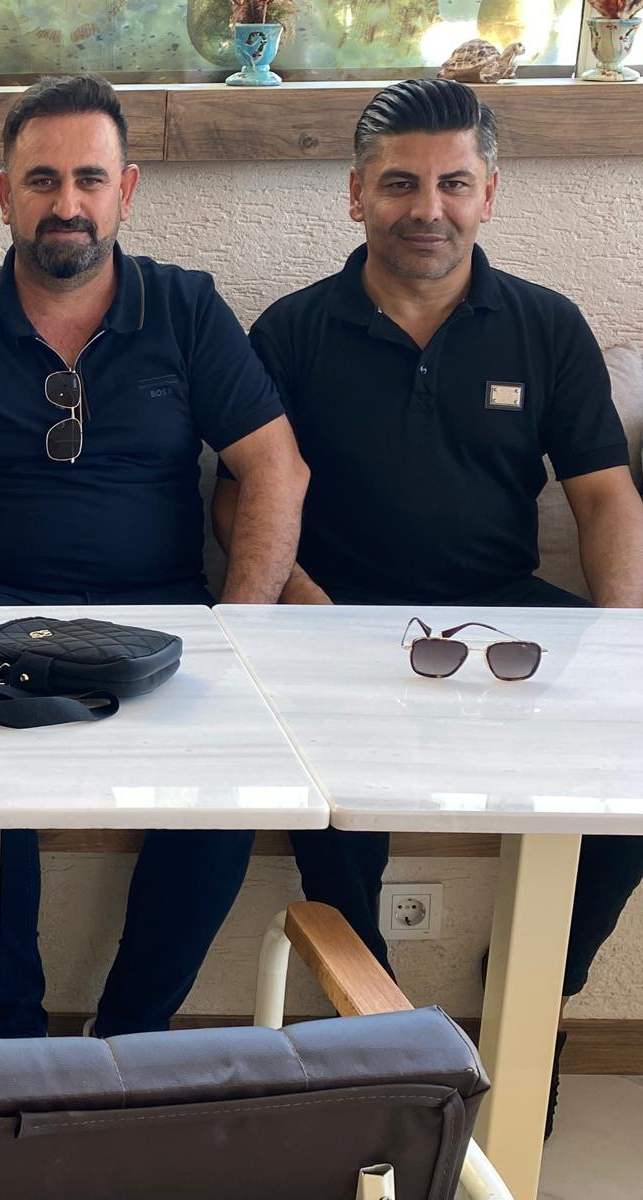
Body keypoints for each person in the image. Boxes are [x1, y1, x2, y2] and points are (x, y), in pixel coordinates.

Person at [214, 76, 643, 1136]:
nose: (427, 208)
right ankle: (377, 1035)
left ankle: (533, 991)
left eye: (453, 184)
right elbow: (238, 497)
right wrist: (305, 607)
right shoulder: (292, 330)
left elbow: (603, 496)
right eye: (400, 183)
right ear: (355, 194)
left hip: (506, 617)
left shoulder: (545, 326)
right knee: (327, 803)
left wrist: (619, 643)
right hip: (333, 614)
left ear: (489, 193)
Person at [0, 74, 310, 1040]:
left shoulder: (187, 308)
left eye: (89, 179)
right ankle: (20, 1050)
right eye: (42, 180)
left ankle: (128, 1047)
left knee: (229, 794)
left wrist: (240, 632)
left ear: (126, 191)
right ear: (3, 194)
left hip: (167, 623)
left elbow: (276, 471)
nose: (66, 203)